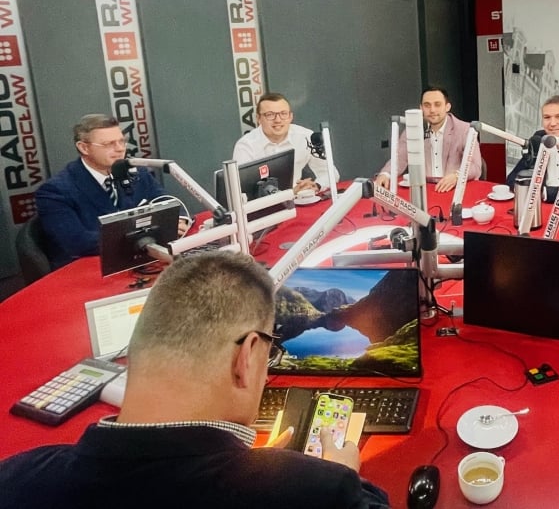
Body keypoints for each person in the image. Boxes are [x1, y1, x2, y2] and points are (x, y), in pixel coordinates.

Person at [0, 249, 390, 507]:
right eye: (270, 353)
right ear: (245, 357)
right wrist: (343, 475)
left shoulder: (16, 479)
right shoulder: (319, 491)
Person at [35, 114, 167, 268]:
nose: (120, 149)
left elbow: (166, 202)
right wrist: (143, 237)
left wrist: (179, 220)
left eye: (122, 141)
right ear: (84, 148)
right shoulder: (55, 191)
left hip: (140, 259)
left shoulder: (138, 173)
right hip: (88, 268)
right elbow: (77, 242)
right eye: (108, 144)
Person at [374, 86, 482, 193]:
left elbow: (475, 166)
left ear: (447, 107)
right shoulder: (413, 128)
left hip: (455, 190)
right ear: (421, 108)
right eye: (427, 105)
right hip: (425, 191)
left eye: (437, 104)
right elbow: (400, 158)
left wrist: (456, 176)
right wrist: (385, 174)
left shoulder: (465, 129)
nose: (432, 110)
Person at [233, 92, 339, 195]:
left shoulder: (306, 137)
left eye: (283, 114)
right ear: (258, 119)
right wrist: (291, 193)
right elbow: (240, 191)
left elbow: (330, 173)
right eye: (270, 115)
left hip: (298, 200)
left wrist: (316, 185)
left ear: (290, 117)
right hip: (262, 203)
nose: (278, 120)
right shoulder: (246, 146)